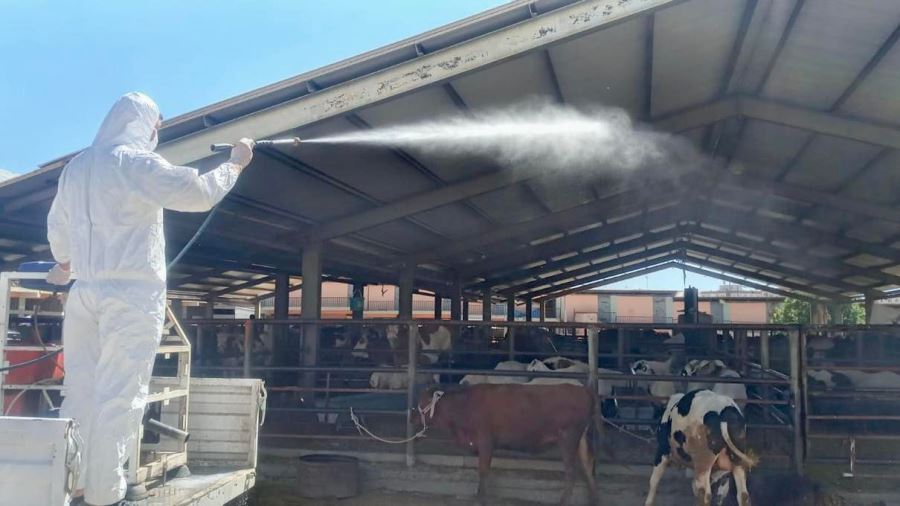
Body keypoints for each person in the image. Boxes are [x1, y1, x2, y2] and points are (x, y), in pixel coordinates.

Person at [45, 92, 254, 506]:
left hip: (84, 294)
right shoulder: (135, 162)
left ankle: (71, 486)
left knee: (80, 392)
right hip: (132, 294)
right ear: (143, 123)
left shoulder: (76, 168)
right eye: (156, 125)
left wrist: (66, 262)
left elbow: (58, 230)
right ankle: (105, 496)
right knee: (119, 396)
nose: (157, 132)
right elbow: (196, 193)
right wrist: (235, 164)